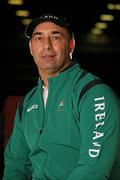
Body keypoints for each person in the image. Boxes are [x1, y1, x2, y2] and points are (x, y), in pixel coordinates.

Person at [2, 13, 120, 180]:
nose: (47, 45)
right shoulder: (28, 103)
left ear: (71, 45)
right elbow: (16, 165)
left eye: (55, 37)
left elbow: (93, 171)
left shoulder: (94, 94)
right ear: (30, 47)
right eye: (39, 38)